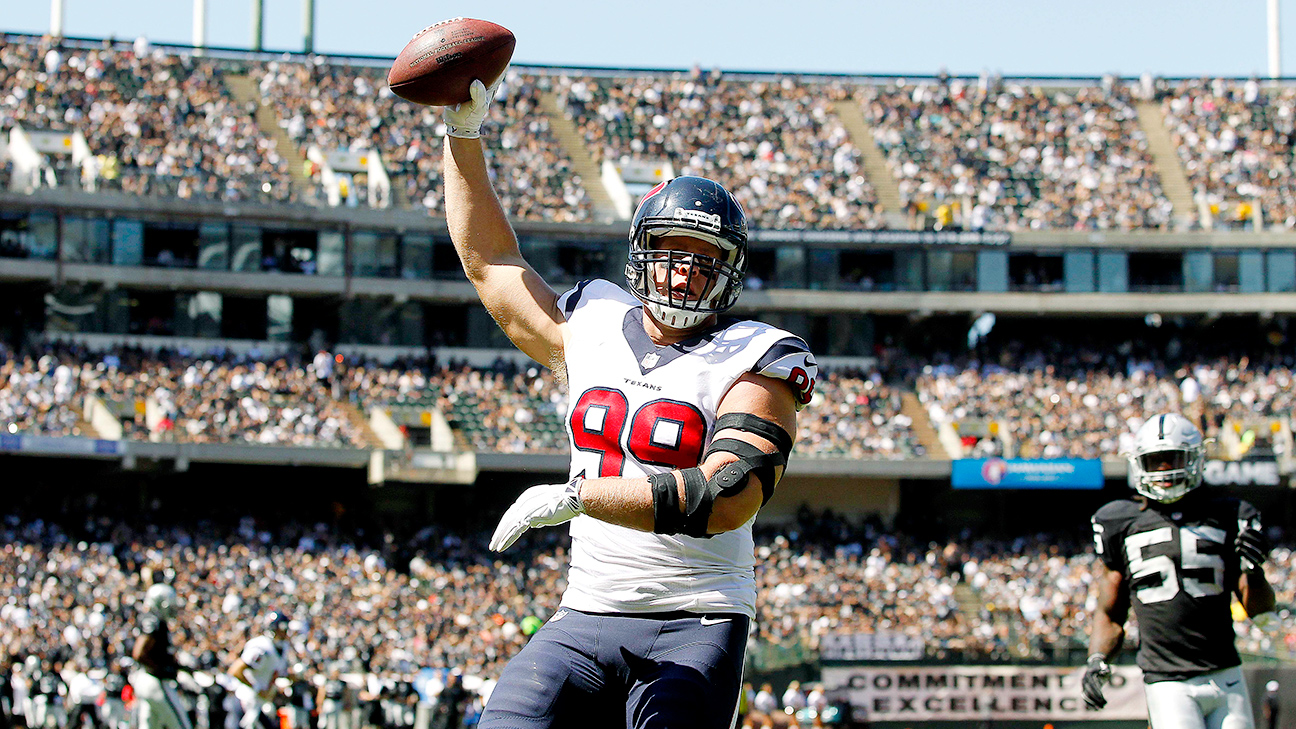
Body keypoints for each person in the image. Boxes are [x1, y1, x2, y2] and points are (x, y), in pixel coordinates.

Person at [438, 72, 816, 728]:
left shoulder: (760, 354)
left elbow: (728, 494)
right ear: (641, 251)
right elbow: (491, 261)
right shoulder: (594, 318)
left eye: (704, 257)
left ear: (730, 269)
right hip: (585, 611)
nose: (684, 271)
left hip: (693, 618)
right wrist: (462, 134)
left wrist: (586, 495)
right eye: (673, 251)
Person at [1083, 413, 1276, 727]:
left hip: (1226, 672)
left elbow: (1259, 609)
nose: (1164, 469)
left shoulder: (1231, 514)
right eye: (1155, 460)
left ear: (1195, 459)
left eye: (1171, 458)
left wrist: (1255, 572)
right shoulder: (1118, 521)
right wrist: (1097, 659)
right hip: (1167, 680)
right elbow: (1110, 612)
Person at [129, 584, 192, 729]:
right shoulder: (153, 620)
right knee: (181, 725)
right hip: (155, 681)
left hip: (146, 679)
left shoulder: (154, 620)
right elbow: (139, 653)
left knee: (150, 726)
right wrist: (161, 669)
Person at [227, 612, 290, 729]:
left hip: (259, 703)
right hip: (246, 700)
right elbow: (235, 670)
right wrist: (256, 687)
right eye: (283, 628)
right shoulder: (262, 646)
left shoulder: (282, 647)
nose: (286, 633)